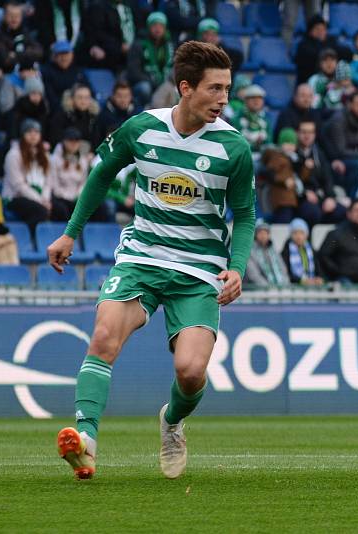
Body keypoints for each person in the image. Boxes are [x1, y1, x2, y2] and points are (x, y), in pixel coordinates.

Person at [47, 41, 256, 480]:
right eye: (215, 89)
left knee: (191, 371)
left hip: (199, 270)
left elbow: (246, 213)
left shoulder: (234, 149)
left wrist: (236, 267)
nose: (224, 99)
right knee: (104, 335)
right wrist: (70, 232)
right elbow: (102, 172)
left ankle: (172, 421)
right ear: (185, 87)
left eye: (227, 90)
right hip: (142, 256)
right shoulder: (141, 129)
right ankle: (85, 441)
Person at [2, 118, 53, 231]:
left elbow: (48, 182)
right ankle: (27, 238)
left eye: (36, 132)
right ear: (23, 134)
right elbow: (19, 186)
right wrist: (40, 201)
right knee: (40, 211)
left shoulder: (45, 155)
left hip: (39, 197)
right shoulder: (13, 155)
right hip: (15, 197)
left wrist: (45, 199)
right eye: (29, 132)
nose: (33, 135)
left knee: (61, 209)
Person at [50, 127, 110, 222]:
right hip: (60, 197)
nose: (73, 144)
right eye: (70, 140)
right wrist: (69, 197)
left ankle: (92, 235)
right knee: (63, 209)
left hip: (77, 197)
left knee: (100, 207)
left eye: (76, 141)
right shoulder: (54, 159)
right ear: (64, 141)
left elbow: (83, 182)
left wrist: (78, 196)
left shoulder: (83, 159)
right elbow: (54, 185)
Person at [320, 90, 358, 196]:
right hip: (333, 160)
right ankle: (353, 199)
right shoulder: (338, 120)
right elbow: (340, 151)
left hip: (355, 157)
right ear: (349, 105)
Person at [293, 120, 346, 225]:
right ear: (297, 133)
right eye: (304, 132)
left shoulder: (319, 153)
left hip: (319, 197)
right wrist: (304, 193)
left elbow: (327, 178)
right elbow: (291, 178)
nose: (307, 136)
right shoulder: (292, 153)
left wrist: (330, 198)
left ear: (314, 135)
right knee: (313, 212)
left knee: (341, 211)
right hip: (300, 198)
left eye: (310, 132)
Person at [127, 12, 175, 110]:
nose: (158, 29)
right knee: (145, 88)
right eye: (154, 25)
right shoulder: (138, 45)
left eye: (161, 26)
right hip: (144, 82)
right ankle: (142, 110)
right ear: (148, 27)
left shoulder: (170, 45)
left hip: (164, 82)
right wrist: (154, 82)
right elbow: (133, 72)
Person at [294, 15, 353, 85]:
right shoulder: (304, 45)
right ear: (310, 31)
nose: (321, 32)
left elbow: (347, 53)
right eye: (317, 29)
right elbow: (310, 57)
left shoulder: (331, 41)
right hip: (309, 82)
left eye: (323, 29)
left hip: (333, 81)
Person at [0, 0, 43, 74]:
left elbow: (39, 52)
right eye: (11, 15)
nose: (14, 19)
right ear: (4, 16)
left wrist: (15, 54)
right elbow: (5, 60)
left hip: (26, 72)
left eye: (17, 16)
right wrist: (27, 53)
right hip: (6, 74)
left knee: (34, 80)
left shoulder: (25, 31)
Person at [40, 40, 88, 115]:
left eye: (67, 54)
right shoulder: (47, 72)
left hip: (80, 109)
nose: (64, 58)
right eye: (61, 54)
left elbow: (89, 90)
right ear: (54, 56)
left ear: (72, 55)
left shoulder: (78, 71)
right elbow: (51, 98)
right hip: (58, 112)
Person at [49, 83, 100, 152]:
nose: (83, 101)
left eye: (87, 98)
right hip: (64, 153)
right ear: (72, 99)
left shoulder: (93, 116)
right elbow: (55, 138)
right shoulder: (62, 114)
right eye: (80, 97)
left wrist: (92, 152)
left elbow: (97, 140)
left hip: (87, 155)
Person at [244, 219, 290, 287]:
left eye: (265, 233)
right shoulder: (250, 251)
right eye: (260, 232)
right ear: (255, 234)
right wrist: (269, 288)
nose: (263, 236)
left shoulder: (274, 250)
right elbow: (254, 275)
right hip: (259, 291)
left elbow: (283, 270)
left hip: (279, 290)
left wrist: (285, 285)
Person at [234, 84, 272, 160]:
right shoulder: (237, 118)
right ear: (245, 100)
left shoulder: (265, 118)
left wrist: (262, 143)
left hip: (263, 156)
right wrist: (255, 145)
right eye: (253, 98)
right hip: (244, 156)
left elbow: (269, 140)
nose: (256, 101)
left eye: (259, 98)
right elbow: (236, 143)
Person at [281, 218, 323, 285]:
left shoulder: (310, 249)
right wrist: (301, 281)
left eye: (301, 233)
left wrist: (319, 278)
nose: (299, 236)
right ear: (291, 235)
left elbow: (318, 268)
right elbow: (286, 273)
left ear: (306, 235)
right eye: (295, 233)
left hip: (312, 283)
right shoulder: (286, 251)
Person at [95, 81, 136, 146]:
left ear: (131, 97)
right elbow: (97, 140)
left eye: (126, 96)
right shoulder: (103, 116)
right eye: (119, 96)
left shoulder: (137, 114)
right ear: (113, 96)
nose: (123, 100)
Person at [10, 76, 50, 141]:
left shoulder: (43, 107)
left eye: (39, 94)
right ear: (27, 94)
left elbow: (45, 127)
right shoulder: (19, 107)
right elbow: (13, 127)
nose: (36, 96)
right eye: (33, 93)